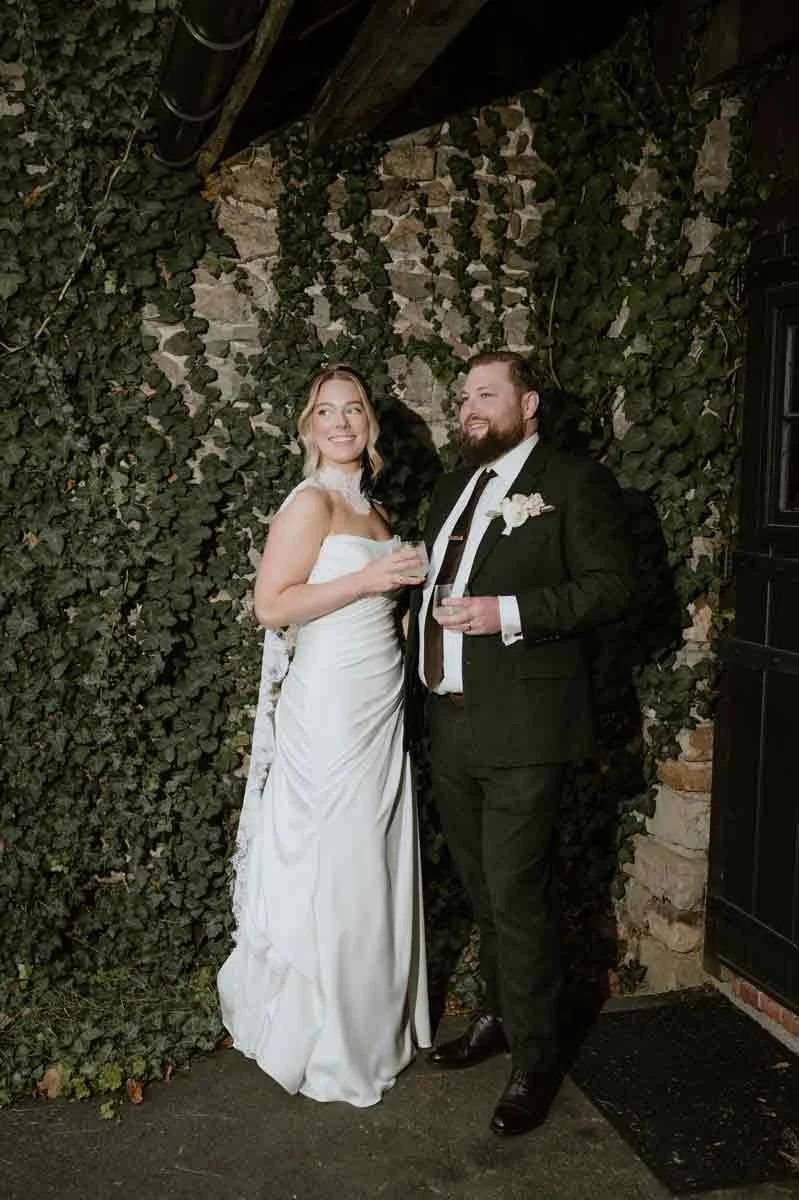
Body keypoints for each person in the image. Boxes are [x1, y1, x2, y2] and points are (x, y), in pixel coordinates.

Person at [405, 350, 634, 1136]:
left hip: (527, 728)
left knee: (517, 890)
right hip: (450, 721)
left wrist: (507, 612)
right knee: (481, 886)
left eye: (486, 394)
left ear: (528, 404)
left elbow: (612, 586)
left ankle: (535, 1061)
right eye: (463, 395)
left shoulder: (572, 484)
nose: (468, 407)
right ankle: (499, 1016)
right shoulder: (451, 488)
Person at [218, 363, 431, 1108]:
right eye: (326, 412)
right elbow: (271, 606)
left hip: (379, 699)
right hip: (330, 705)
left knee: (370, 851)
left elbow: (379, 607)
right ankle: (327, 1033)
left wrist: (400, 605)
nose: (342, 422)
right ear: (306, 427)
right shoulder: (309, 503)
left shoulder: (369, 509)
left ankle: (372, 1022)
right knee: (337, 854)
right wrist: (369, 584)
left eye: (354, 411)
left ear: (369, 425)